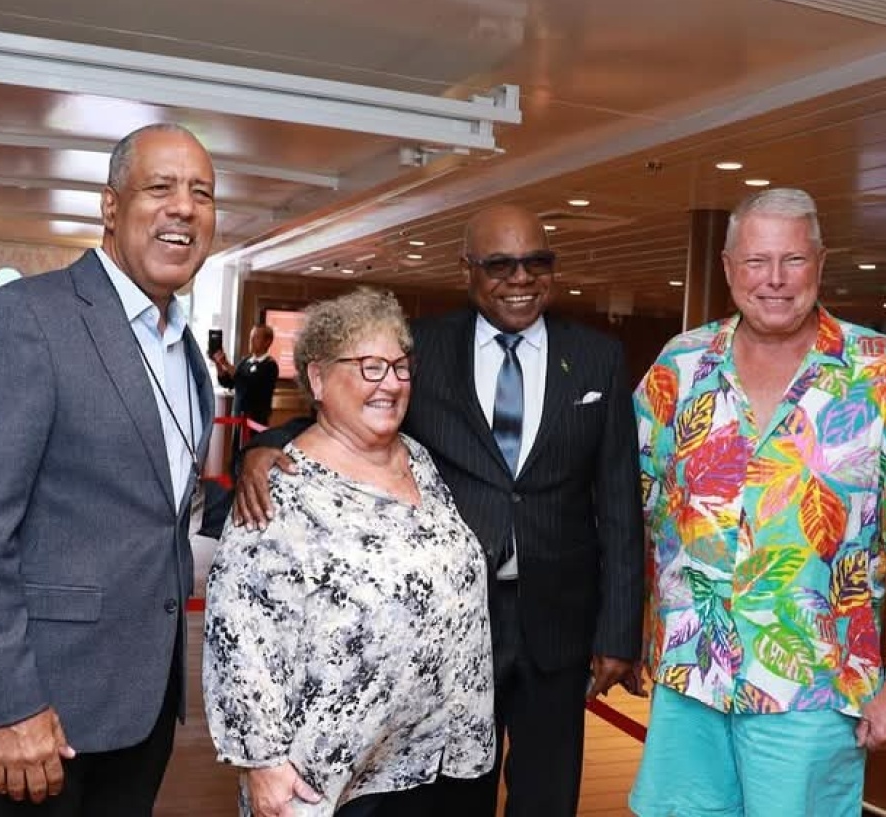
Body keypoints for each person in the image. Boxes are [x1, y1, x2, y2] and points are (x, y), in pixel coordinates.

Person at [236, 204, 645, 817]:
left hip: (557, 621)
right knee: (454, 793)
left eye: (537, 262)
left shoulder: (596, 358)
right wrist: (265, 449)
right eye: (501, 265)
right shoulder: (423, 349)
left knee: (549, 795)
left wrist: (618, 632)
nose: (521, 279)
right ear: (468, 270)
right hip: (452, 624)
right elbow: (355, 408)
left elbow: (618, 501)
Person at [629, 188, 886, 817]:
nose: (774, 280)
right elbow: (629, 505)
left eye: (793, 260)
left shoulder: (881, 373)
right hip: (688, 678)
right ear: (728, 269)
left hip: (812, 687)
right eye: (756, 262)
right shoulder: (680, 366)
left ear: (821, 263)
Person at [0, 122, 218, 816]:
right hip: (38, 711)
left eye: (202, 193)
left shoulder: (184, 350)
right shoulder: (25, 317)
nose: (184, 206)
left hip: (141, 704)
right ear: (110, 207)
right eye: (161, 187)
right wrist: (10, 703)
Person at [203, 288, 494, 817]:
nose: (390, 383)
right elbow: (238, 636)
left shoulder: (420, 460)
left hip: (436, 767)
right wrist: (263, 763)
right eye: (369, 366)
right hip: (331, 780)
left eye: (400, 368)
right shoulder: (281, 487)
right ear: (317, 378)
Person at [212, 323, 280, 428]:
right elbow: (228, 383)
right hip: (238, 418)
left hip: (256, 421)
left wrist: (226, 363)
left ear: (268, 342)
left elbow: (250, 383)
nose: (251, 341)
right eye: (251, 337)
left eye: (256, 337)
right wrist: (218, 364)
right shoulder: (245, 361)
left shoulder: (270, 365)